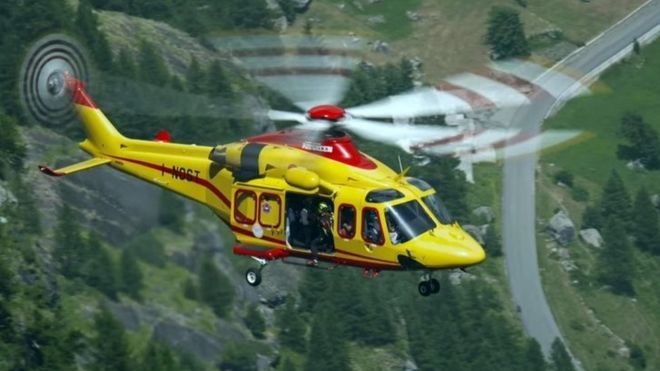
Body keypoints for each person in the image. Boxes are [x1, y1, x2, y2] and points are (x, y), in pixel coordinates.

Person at [309, 201, 334, 265]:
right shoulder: (331, 215)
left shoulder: (323, 218)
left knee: (313, 244)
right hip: (328, 237)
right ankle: (326, 248)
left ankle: (315, 260)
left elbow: (327, 227)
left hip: (323, 236)